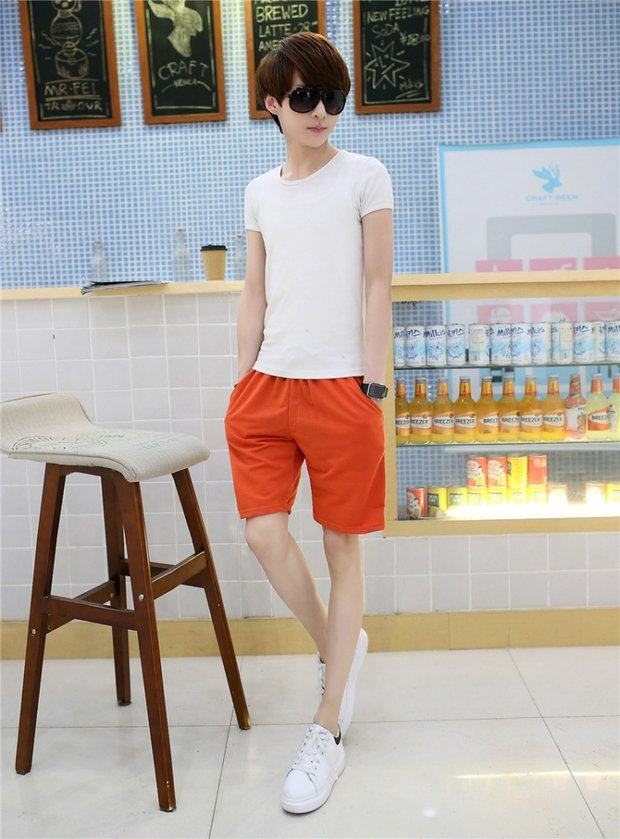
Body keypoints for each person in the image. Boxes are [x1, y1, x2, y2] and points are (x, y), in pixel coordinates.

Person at [224, 31, 394, 814]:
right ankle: (340, 647)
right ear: (272, 104)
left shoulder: (366, 176)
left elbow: (377, 283)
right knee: (263, 533)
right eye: (303, 97)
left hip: (341, 386)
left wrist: (375, 383)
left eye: (333, 96)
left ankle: (327, 725)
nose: (321, 110)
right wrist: (242, 379)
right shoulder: (260, 191)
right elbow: (254, 288)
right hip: (267, 386)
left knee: (339, 545)